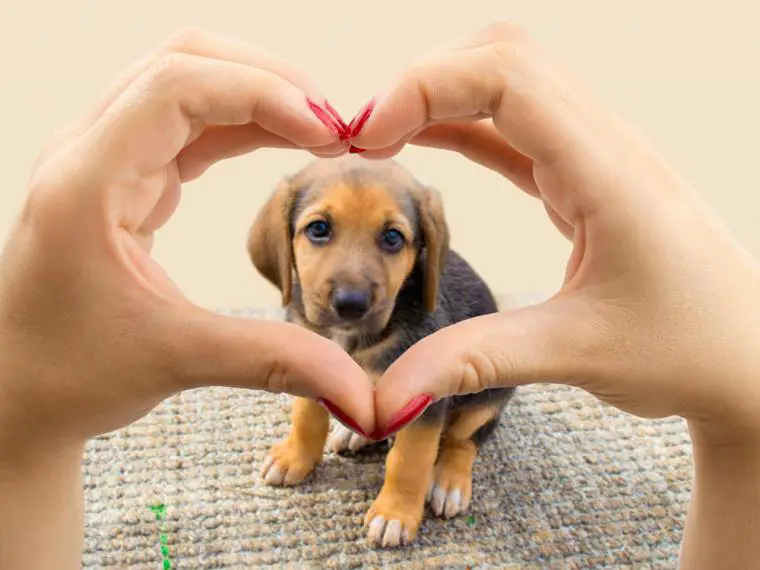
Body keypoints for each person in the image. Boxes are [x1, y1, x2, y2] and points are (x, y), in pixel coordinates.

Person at [0, 22, 757, 569]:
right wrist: (305, 439)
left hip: (455, 406)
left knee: (458, 407)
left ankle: (458, 455)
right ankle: (331, 433)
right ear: (285, 245)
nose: (352, 283)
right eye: (321, 231)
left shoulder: (420, 312)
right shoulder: (303, 297)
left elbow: (427, 403)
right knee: (323, 379)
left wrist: (411, 487)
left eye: (390, 240)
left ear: (425, 251)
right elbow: (301, 360)